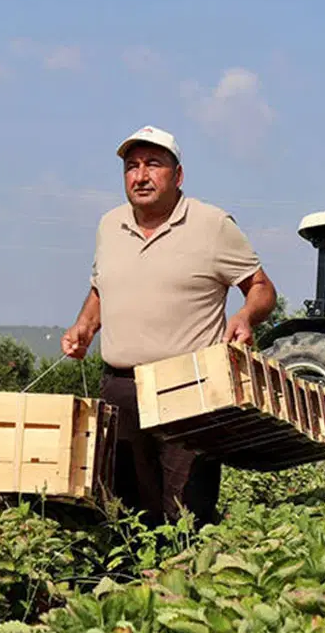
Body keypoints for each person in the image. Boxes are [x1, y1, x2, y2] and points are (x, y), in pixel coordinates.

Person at [60, 125, 277, 526]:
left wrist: (246, 316)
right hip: (120, 388)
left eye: (153, 165)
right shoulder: (109, 225)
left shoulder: (212, 224)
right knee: (124, 509)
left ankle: (182, 583)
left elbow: (261, 287)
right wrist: (84, 327)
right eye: (132, 166)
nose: (140, 176)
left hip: (190, 388)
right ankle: (132, 585)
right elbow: (101, 291)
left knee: (185, 511)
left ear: (177, 176)